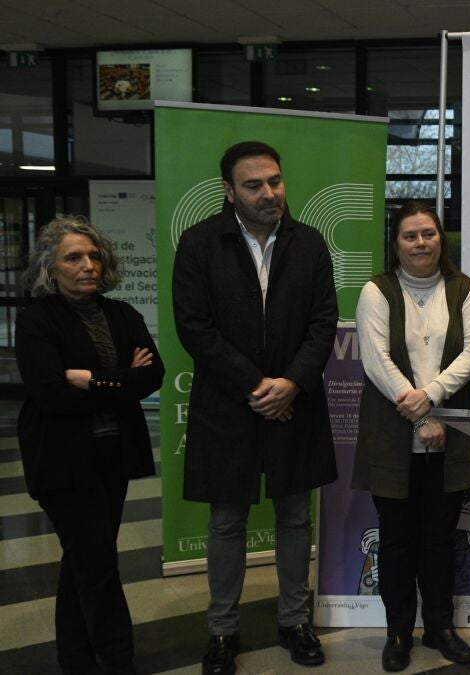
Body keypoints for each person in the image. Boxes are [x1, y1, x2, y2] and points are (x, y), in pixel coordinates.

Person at [173, 141, 339, 674]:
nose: (269, 193)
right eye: (254, 185)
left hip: (295, 401)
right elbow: (194, 327)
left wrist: (290, 383)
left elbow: (323, 322)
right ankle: (222, 631)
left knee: (295, 516)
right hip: (228, 404)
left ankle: (294, 622)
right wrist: (258, 386)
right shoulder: (200, 243)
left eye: (275, 181)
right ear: (229, 191)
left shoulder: (309, 243)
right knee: (226, 522)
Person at [16, 216, 164, 674]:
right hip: (61, 462)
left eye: (94, 256)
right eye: (73, 257)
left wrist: (91, 380)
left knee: (83, 560)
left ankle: (76, 659)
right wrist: (121, 379)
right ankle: (118, 659)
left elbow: (152, 376)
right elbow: (51, 394)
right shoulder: (36, 320)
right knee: (97, 563)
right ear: (51, 268)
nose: (88, 265)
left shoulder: (122, 314)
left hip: (113, 456)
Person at [352, 201, 470, 671]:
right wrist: (417, 413)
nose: (421, 243)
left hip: (448, 437)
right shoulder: (377, 291)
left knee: (440, 539)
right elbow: (376, 359)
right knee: (396, 540)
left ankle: (440, 628)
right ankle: (398, 633)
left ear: (440, 239)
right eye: (410, 236)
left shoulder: (465, 289)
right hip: (393, 436)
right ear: (395, 243)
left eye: (428, 233)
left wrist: (431, 398)